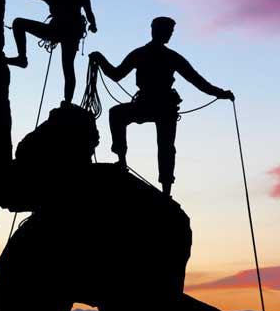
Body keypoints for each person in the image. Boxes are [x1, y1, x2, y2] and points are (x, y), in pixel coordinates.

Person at [89, 16, 234, 196]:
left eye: (170, 32)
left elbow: (116, 74)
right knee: (163, 144)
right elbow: (198, 81)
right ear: (156, 31)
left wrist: (220, 93)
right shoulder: (167, 56)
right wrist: (100, 60)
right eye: (168, 32)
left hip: (157, 105)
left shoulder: (145, 54)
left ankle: (129, 166)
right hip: (161, 106)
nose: (169, 35)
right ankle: (145, 176)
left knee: (158, 141)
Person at [0, 0, 98, 103]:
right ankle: (67, 102)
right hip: (70, 34)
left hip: (58, 32)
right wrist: (93, 25)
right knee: (68, 67)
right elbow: (89, 12)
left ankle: (22, 58)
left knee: (19, 23)